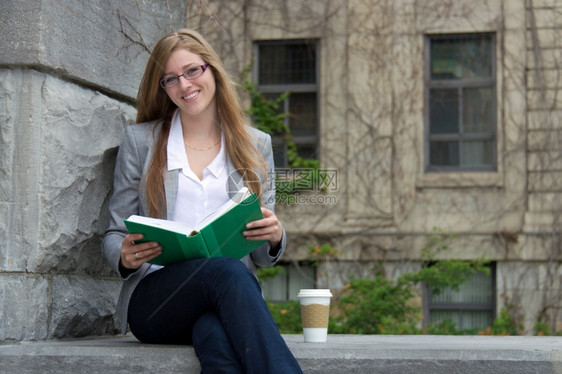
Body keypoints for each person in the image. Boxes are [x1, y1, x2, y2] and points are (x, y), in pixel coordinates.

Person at [101, 28, 303, 373]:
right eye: (170, 79)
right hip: (156, 301)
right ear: (162, 88)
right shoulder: (141, 142)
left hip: (225, 300)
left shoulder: (256, 146)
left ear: (212, 70)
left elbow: (261, 258)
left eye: (192, 70)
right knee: (224, 273)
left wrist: (274, 236)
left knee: (214, 336)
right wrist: (123, 255)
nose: (185, 85)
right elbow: (114, 232)